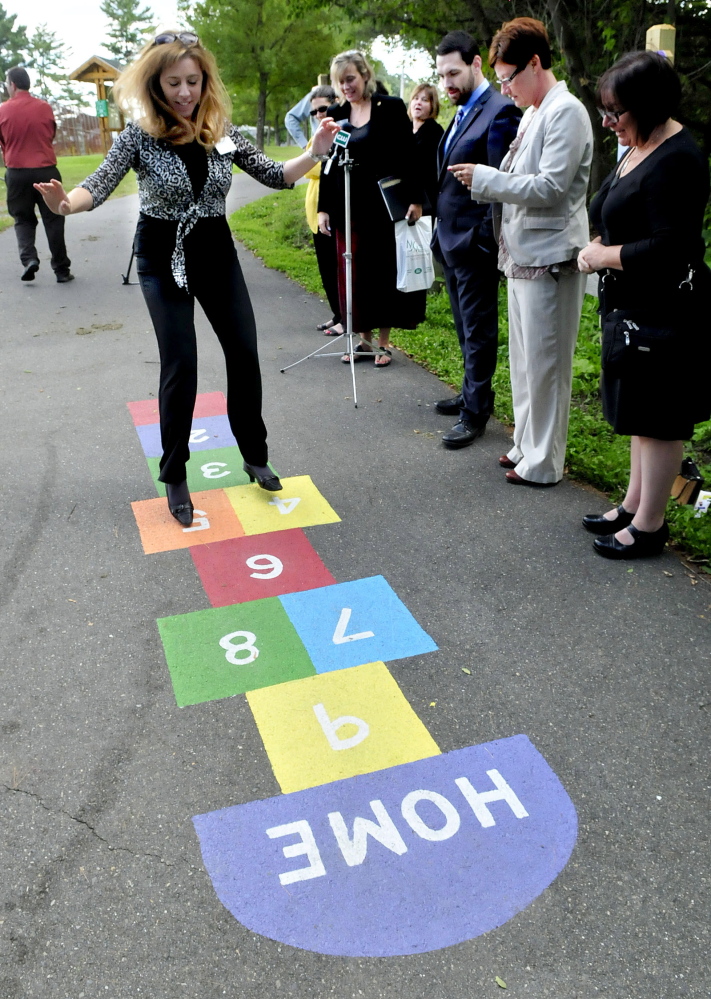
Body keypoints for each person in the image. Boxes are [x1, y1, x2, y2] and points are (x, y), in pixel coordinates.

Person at [35, 31, 338, 526]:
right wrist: (66, 204)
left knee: (243, 352)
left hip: (215, 252)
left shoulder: (220, 129)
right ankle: (175, 472)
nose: (184, 92)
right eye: (173, 82)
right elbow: (101, 182)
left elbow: (276, 175)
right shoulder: (138, 134)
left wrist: (315, 150)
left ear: (205, 81)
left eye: (193, 81)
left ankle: (254, 454)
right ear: (155, 84)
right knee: (182, 363)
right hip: (160, 253)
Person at [578, 51, 711, 559]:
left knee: (658, 418)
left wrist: (603, 254)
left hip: (666, 311)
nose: (609, 122)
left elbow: (672, 247)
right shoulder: (639, 144)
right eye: (606, 111)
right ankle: (634, 504)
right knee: (638, 410)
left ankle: (651, 526)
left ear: (650, 106)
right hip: (632, 304)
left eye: (617, 112)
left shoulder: (679, 158)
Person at [458, 18, 592, 483]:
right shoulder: (536, 109)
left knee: (547, 364)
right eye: (499, 80)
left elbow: (552, 186)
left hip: (551, 255)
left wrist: (486, 179)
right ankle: (524, 444)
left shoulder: (567, 111)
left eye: (509, 78)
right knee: (524, 359)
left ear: (535, 64)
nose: (505, 88)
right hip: (520, 251)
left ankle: (544, 462)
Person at [431, 32, 520, 448]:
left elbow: (504, 186)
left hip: (474, 243)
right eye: (441, 75)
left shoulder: (500, 111)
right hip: (449, 240)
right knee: (465, 329)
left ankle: (476, 413)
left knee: (479, 330)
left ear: (477, 64)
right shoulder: (464, 109)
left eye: (453, 73)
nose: (446, 82)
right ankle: (472, 393)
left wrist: (484, 240)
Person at [317, 50, 423, 368]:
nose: (346, 87)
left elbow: (409, 155)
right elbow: (328, 164)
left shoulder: (389, 107)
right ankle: (361, 340)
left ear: (364, 74)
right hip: (347, 207)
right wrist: (324, 208)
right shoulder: (336, 113)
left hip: (382, 207)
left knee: (381, 274)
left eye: (350, 79)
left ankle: (384, 343)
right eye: (340, 82)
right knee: (354, 275)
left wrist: (415, 199)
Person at [0, 67, 73, 283]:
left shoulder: (3, 110)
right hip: (46, 170)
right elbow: (50, 134)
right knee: (54, 218)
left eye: (6, 83)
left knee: (22, 219)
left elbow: (2, 141)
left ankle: (29, 259)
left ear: (12, 84)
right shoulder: (45, 108)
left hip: (17, 172)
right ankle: (61, 270)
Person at [302, 85, 343, 335]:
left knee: (336, 267)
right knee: (325, 270)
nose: (319, 115)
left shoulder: (337, 133)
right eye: (314, 111)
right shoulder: (318, 133)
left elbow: (313, 168)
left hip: (331, 211)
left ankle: (344, 317)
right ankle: (337, 314)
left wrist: (311, 162)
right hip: (314, 215)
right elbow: (311, 164)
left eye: (323, 109)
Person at [408, 84, 444, 217]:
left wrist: (417, 201)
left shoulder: (435, 132)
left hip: (424, 201)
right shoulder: (404, 128)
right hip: (401, 199)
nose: (418, 103)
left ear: (432, 105)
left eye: (424, 100)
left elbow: (427, 170)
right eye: (415, 98)